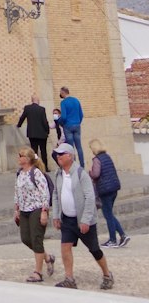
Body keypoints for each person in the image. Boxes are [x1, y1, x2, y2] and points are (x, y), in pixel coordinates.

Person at [50, 142, 113, 290]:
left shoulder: (81, 174)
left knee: (94, 249)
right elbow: (56, 195)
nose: (58, 157)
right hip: (67, 219)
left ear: (69, 156)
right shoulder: (58, 173)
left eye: (61, 154)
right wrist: (56, 216)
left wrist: (85, 220)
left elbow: (90, 197)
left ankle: (107, 274)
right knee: (65, 247)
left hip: (83, 221)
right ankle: (69, 278)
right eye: (57, 154)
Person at [14, 147, 54, 281]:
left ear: (27, 158)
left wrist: (44, 212)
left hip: (36, 209)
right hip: (24, 210)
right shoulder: (20, 173)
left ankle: (38, 272)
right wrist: (16, 209)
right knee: (26, 238)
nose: (18, 158)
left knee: (36, 239)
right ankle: (47, 257)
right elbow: (17, 192)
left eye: (21, 155)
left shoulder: (36, 173)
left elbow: (45, 193)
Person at [89, 139, 130, 249]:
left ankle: (113, 240)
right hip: (113, 188)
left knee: (108, 215)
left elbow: (96, 174)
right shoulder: (107, 157)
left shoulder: (97, 159)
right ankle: (123, 235)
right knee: (110, 214)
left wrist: (90, 173)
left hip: (105, 190)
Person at [16, 95, 50, 169]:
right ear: (38, 100)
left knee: (34, 151)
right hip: (42, 133)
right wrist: (47, 131)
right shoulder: (42, 109)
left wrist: (19, 125)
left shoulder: (27, 108)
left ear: (32, 100)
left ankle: (35, 166)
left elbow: (22, 117)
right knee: (43, 151)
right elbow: (45, 121)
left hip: (32, 133)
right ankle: (45, 167)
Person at [58, 87, 84, 167]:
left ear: (63, 93)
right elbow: (81, 114)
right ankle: (82, 165)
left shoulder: (63, 102)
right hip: (76, 125)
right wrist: (77, 122)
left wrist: (60, 122)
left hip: (68, 126)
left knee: (70, 147)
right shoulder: (76, 100)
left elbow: (64, 117)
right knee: (79, 146)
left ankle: (74, 165)